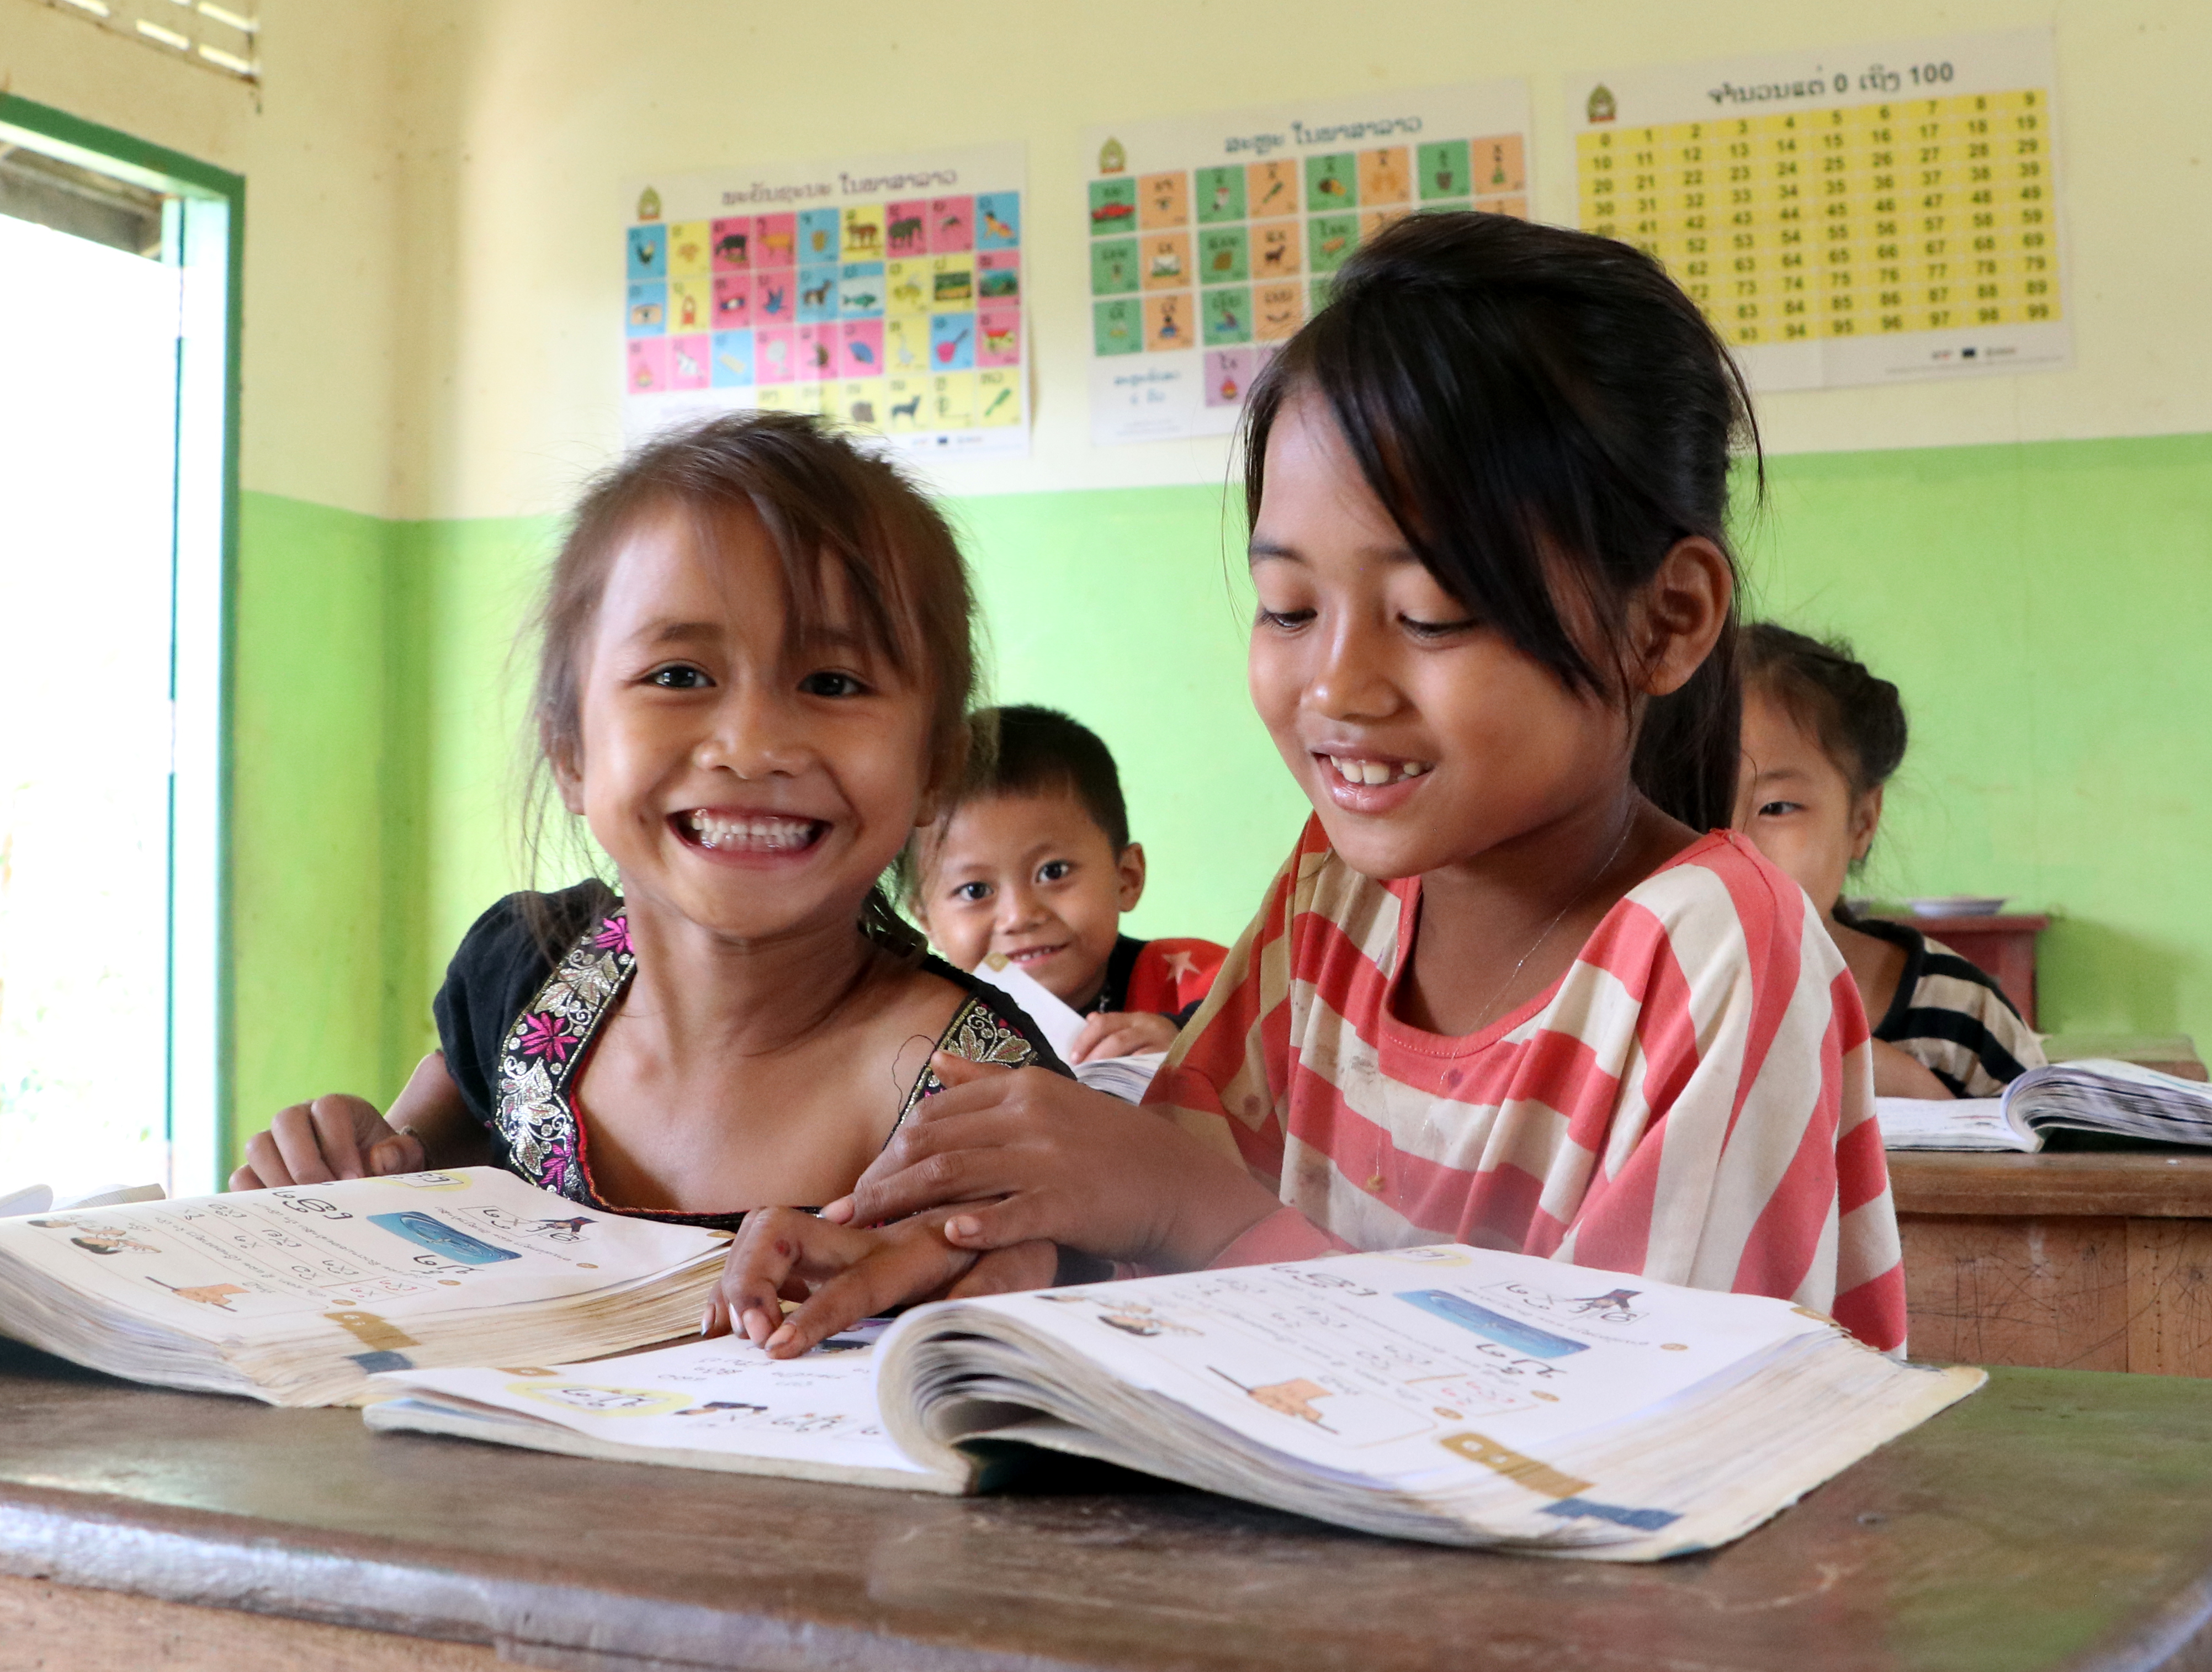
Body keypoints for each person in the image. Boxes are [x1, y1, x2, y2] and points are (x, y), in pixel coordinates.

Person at [715, 211, 1903, 1357]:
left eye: (1431, 612)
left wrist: (1202, 1216)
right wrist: (971, 1239)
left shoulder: (1711, 954)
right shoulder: (1340, 895)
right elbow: (1156, 1201)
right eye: (1289, 606)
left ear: (1668, 619)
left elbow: (1618, 1434)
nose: (1337, 683)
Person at [230, 415, 1070, 1309]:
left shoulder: (979, 1102)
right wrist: (343, 1160)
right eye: (677, 676)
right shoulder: (522, 974)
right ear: (571, 752)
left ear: (934, 767)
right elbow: (400, 1172)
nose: (751, 747)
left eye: (832, 683)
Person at [1733, 625, 2044, 1100]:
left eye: (1776, 807)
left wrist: (1927, 1102)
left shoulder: (1961, 1011)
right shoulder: (1624, 1008)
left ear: (1861, 821)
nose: (1732, 845)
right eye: (1686, 808)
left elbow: (2049, 1163)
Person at [907, 704, 1229, 1065]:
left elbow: (1281, 1047)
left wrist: (1187, 1040)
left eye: (1053, 871)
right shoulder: (930, 1042)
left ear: (1126, 877)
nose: (1019, 915)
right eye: (975, 891)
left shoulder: (1200, 982)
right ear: (927, 922)